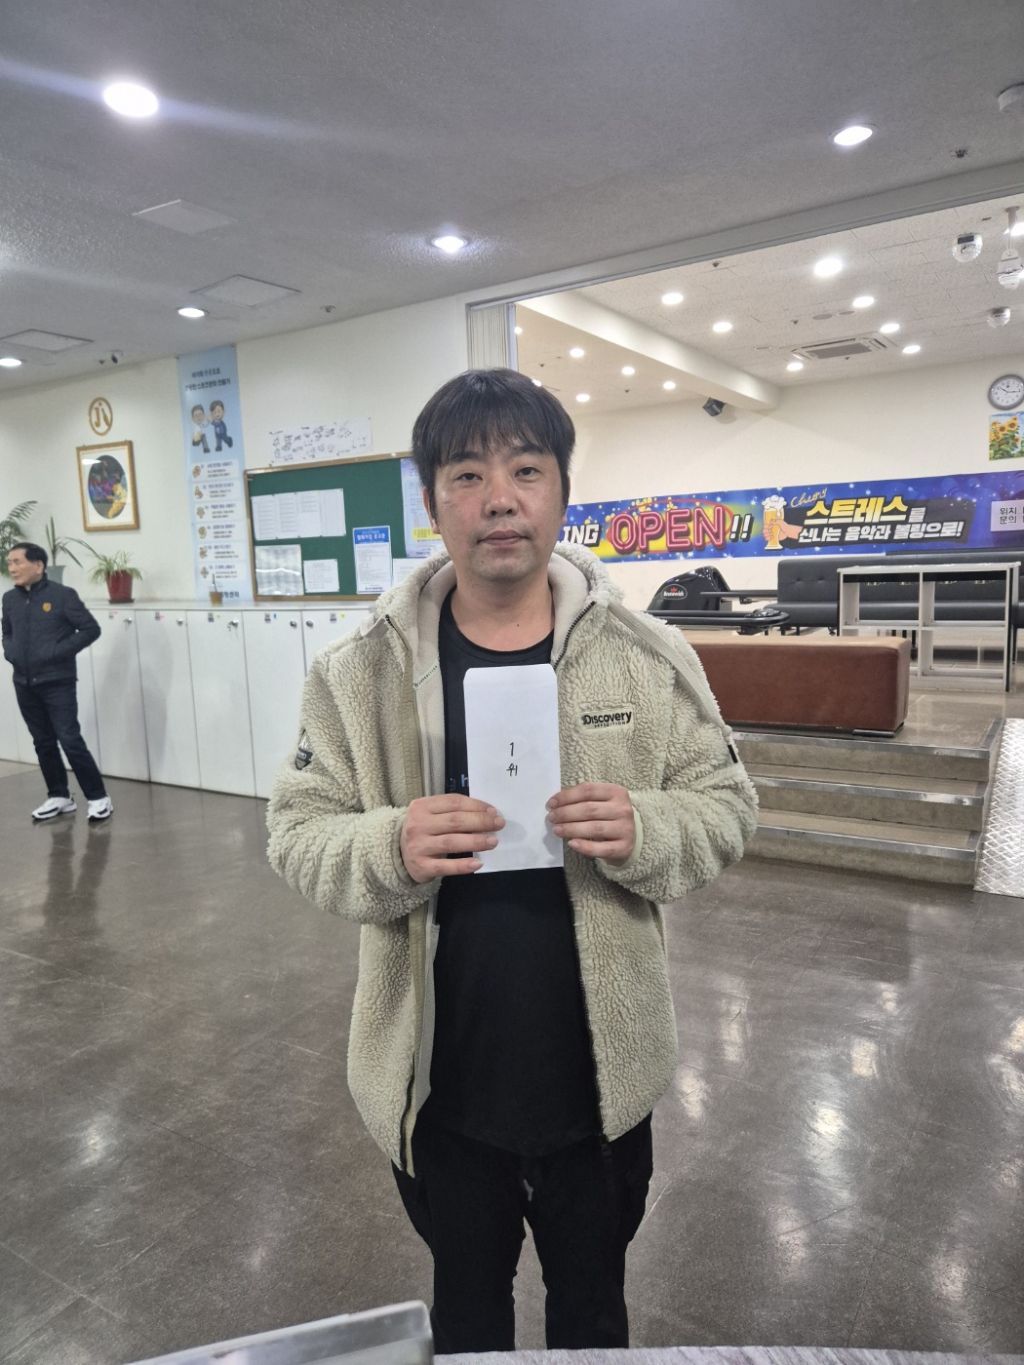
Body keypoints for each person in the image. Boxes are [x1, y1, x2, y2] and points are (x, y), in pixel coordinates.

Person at [266, 369, 757, 1352]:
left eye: (526, 470)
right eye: (467, 475)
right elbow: (296, 830)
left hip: (600, 1082)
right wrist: (389, 843)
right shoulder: (359, 671)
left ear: (563, 492)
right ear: (432, 500)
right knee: (468, 1315)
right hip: (440, 1088)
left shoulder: (648, 657)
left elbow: (726, 806)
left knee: (593, 1314)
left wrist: (646, 827)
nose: (499, 498)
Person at [2, 542, 113, 822]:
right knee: (42, 741)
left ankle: (99, 798)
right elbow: (7, 632)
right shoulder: (9, 599)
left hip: (57, 682)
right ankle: (59, 796)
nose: (11, 568)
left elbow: (90, 629)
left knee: (69, 739)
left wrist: (57, 652)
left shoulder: (62, 596)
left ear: (38, 565)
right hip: (24, 682)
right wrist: (10, 652)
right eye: (9, 562)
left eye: (17, 562)